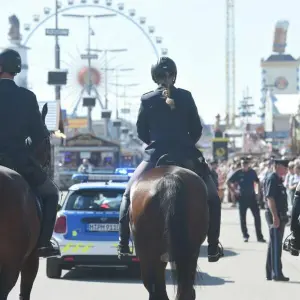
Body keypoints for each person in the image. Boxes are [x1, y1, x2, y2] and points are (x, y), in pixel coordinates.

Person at [118, 57, 223, 263]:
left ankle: (123, 244)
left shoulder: (147, 100)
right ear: (174, 75)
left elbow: (141, 131)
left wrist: (156, 144)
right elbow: (196, 129)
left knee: (128, 194)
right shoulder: (186, 96)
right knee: (212, 198)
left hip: (155, 155)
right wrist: (186, 145)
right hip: (187, 156)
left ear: (154, 77)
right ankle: (212, 246)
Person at [0, 49, 60, 257]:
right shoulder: (27, 97)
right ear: (16, 70)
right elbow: (38, 137)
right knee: (52, 194)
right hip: (19, 162)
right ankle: (44, 243)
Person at [228, 157, 266, 243]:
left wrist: (257, 193)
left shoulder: (252, 172)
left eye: (246, 164)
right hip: (242, 198)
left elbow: (256, 182)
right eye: (242, 164)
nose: (244, 166)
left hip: (252, 198)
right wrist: (234, 191)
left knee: (257, 217)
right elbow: (228, 181)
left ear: (248, 165)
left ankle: (259, 236)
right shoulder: (238, 172)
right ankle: (245, 235)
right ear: (241, 165)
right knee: (243, 218)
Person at [264, 159, 290, 281]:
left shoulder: (278, 179)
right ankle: (276, 273)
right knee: (276, 246)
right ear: (278, 166)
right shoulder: (272, 178)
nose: (286, 169)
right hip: (275, 215)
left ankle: (270, 272)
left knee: (274, 244)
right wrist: (275, 216)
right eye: (285, 167)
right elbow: (270, 198)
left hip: (280, 215)